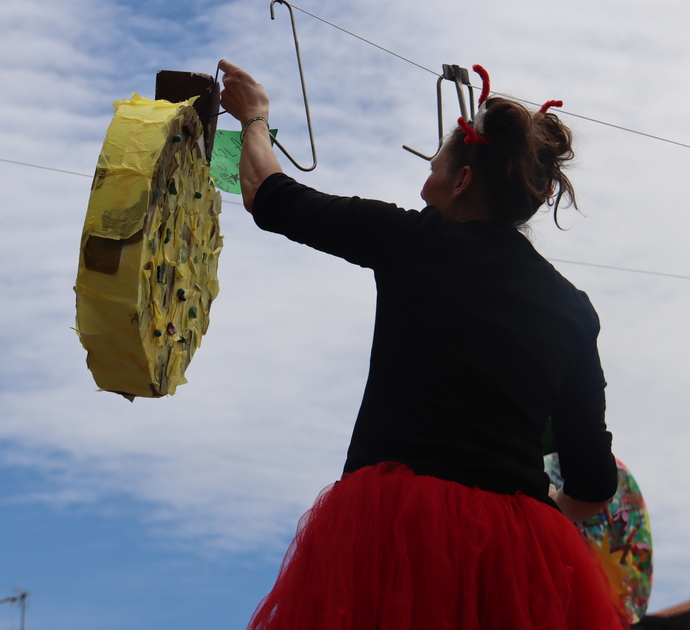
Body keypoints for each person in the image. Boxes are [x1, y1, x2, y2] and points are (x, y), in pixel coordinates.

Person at [218, 59, 627, 630]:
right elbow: (594, 485)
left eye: (435, 163)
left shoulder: (414, 240)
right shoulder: (572, 310)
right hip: (514, 561)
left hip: (393, 530)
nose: (424, 179)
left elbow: (268, 195)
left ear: (462, 181)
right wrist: (528, 528)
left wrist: (254, 117)